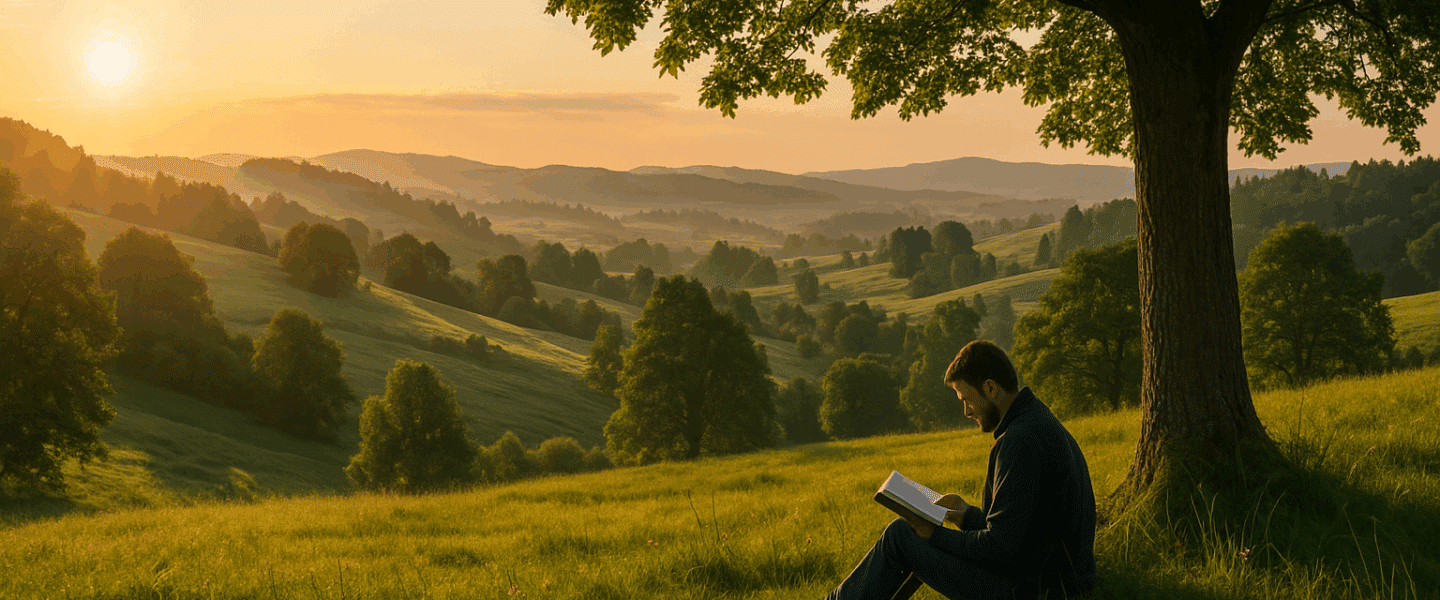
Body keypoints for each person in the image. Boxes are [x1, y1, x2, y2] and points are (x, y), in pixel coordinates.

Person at [824, 340, 1096, 600]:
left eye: (966, 399)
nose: (966, 411)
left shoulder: (1018, 441)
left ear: (990, 388)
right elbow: (1019, 531)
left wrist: (935, 535)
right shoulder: (1036, 419)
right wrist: (965, 515)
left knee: (900, 536)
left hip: (1032, 590)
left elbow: (999, 550)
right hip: (1051, 578)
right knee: (903, 534)